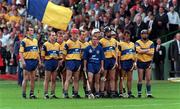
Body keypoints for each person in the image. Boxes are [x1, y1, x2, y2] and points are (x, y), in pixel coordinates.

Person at [19, 26, 41, 99]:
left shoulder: (35, 40)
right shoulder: (24, 41)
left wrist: (39, 61)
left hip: (34, 60)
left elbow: (37, 52)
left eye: (33, 30)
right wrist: (23, 61)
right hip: (27, 61)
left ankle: (31, 94)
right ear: (27, 32)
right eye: (30, 30)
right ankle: (24, 93)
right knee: (26, 78)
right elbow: (20, 52)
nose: (32, 31)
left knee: (33, 78)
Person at [83, 29, 104, 98]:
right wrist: (85, 66)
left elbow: (102, 59)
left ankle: (97, 93)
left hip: (97, 65)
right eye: (93, 39)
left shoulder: (100, 48)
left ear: (98, 40)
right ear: (91, 40)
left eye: (96, 39)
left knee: (97, 80)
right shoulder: (87, 48)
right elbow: (85, 59)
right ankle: (88, 92)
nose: (95, 41)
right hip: (90, 65)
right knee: (90, 80)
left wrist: (102, 67)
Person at [99, 26, 118, 98]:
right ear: (105, 33)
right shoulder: (101, 41)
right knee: (104, 77)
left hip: (112, 60)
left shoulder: (114, 41)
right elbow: (100, 52)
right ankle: (103, 92)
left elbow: (116, 52)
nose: (109, 33)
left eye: (110, 32)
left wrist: (116, 61)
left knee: (112, 77)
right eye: (107, 32)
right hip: (105, 60)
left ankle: (112, 92)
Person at [135, 29, 154, 98]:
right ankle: (139, 93)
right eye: (143, 34)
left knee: (148, 78)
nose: (145, 35)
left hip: (148, 62)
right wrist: (147, 50)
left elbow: (152, 52)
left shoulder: (151, 43)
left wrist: (142, 51)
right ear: (141, 35)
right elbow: (138, 51)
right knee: (140, 79)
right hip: (140, 61)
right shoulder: (137, 42)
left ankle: (149, 93)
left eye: (146, 34)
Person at [63, 28, 81, 98]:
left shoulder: (79, 43)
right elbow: (64, 54)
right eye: (75, 33)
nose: (76, 35)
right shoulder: (68, 43)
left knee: (76, 78)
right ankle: (65, 93)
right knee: (68, 78)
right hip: (70, 61)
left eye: (77, 33)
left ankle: (75, 93)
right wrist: (66, 61)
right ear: (72, 34)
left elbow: (80, 52)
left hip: (77, 61)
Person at [41, 31, 59, 99]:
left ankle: (52, 93)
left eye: (54, 35)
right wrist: (43, 63)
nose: (53, 37)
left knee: (54, 79)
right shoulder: (45, 44)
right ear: (49, 36)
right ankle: (45, 93)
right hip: (48, 62)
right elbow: (42, 55)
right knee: (47, 79)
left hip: (55, 62)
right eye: (52, 35)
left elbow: (58, 54)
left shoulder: (57, 45)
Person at [118, 30, 136, 98]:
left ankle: (129, 92)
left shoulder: (132, 44)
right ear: (124, 36)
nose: (127, 37)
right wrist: (119, 64)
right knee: (122, 78)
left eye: (128, 36)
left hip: (130, 62)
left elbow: (134, 54)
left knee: (129, 79)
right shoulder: (121, 44)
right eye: (126, 36)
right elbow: (119, 55)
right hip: (123, 62)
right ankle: (121, 92)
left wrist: (134, 63)